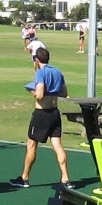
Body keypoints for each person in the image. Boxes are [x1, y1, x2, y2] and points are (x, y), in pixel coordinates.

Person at [10, 45, 72, 188]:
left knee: (31, 145)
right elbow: (64, 93)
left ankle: (24, 178)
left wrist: (31, 90)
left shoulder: (40, 73)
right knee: (57, 145)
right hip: (55, 113)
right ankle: (66, 178)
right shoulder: (58, 72)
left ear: (37, 60)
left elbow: (39, 95)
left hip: (41, 114)